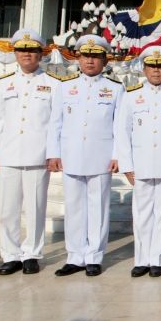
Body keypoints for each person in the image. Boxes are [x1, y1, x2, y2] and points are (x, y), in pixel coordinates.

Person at [46, 35, 123, 277]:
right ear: (78, 58)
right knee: (74, 207)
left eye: (96, 57)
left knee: (98, 208)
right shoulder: (65, 87)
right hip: (71, 155)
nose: (90, 61)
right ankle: (75, 256)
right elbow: (55, 124)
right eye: (85, 56)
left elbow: (119, 126)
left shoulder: (115, 88)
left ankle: (94, 256)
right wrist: (53, 153)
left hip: (101, 156)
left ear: (104, 60)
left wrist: (117, 155)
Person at [0, 29, 60, 276]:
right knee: (8, 208)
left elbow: (55, 124)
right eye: (22, 50)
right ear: (15, 53)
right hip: (8, 152)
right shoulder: (4, 83)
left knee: (36, 206)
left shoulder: (52, 84)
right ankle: (10, 255)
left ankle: (32, 253)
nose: (26, 55)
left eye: (32, 50)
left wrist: (52, 153)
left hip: (38, 154)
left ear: (40, 54)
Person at [115, 46, 161, 278]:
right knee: (142, 214)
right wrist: (127, 165)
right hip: (141, 165)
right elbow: (122, 132)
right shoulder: (131, 96)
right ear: (144, 69)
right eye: (151, 67)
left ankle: (157, 260)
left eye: (160, 67)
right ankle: (141, 260)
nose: (156, 71)